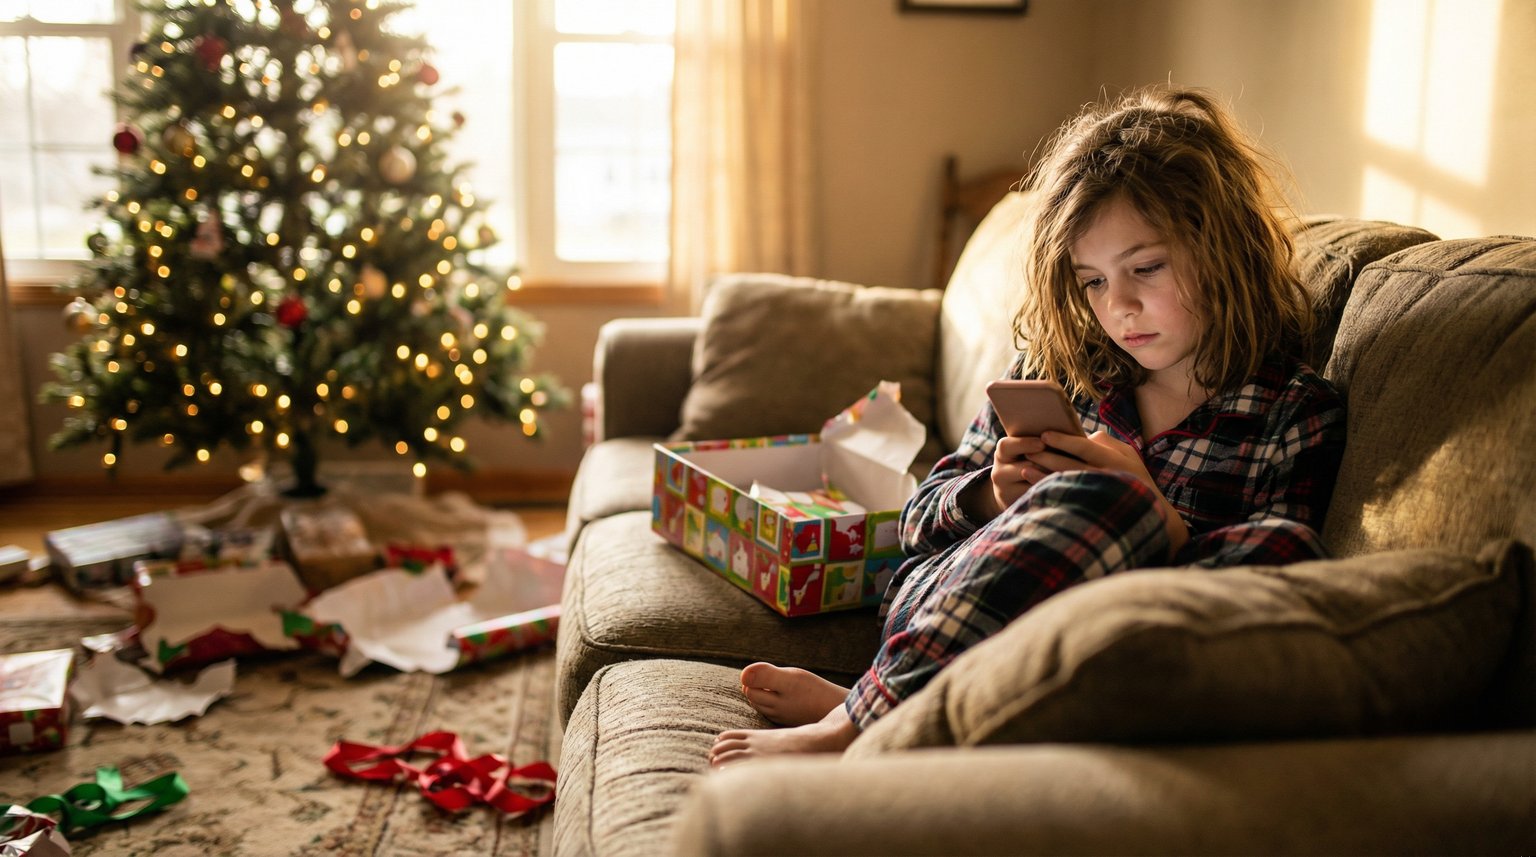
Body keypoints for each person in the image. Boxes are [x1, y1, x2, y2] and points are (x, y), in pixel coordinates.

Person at [707, 86, 1348, 767]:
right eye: (1093, 281)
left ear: (1225, 247)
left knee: (1157, 515)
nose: (1120, 306)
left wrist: (1159, 517)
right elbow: (917, 522)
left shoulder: (1291, 410)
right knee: (1096, 502)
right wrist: (994, 495)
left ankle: (860, 711)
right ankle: (869, 710)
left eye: (1146, 268)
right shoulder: (1063, 369)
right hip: (948, 605)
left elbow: (1276, 589)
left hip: (1104, 643)